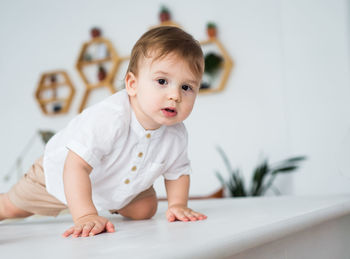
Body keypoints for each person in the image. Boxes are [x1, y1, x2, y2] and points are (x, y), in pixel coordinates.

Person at [0, 26, 207, 238]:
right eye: (162, 81)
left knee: (146, 209)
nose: (175, 95)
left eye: (186, 87)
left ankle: (108, 202)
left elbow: (178, 172)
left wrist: (178, 204)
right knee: (10, 207)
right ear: (132, 84)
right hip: (60, 176)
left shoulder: (177, 134)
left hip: (111, 182)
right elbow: (76, 166)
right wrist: (85, 215)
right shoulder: (111, 117)